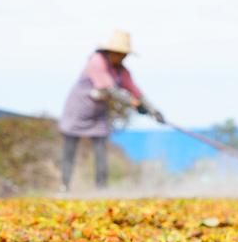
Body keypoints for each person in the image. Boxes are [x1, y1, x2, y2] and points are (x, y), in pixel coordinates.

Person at [58, 30, 164, 191]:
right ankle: (64, 186)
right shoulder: (96, 61)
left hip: (98, 113)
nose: (122, 58)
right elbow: (111, 90)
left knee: (100, 149)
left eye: (125, 55)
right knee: (70, 148)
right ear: (111, 51)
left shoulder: (122, 70)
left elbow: (135, 91)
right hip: (78, 109)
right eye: (120, 54)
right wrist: (133, 104)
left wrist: (153, 110)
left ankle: (101, 188)